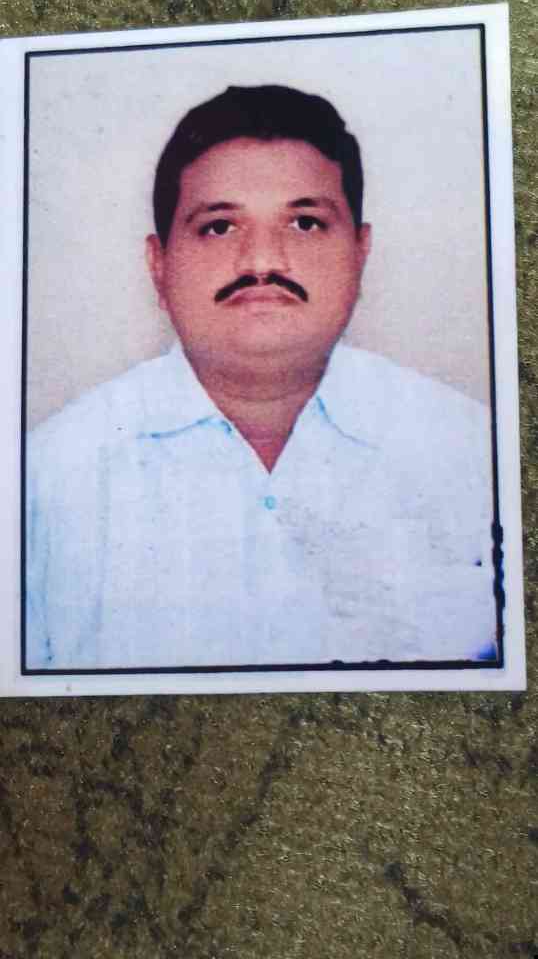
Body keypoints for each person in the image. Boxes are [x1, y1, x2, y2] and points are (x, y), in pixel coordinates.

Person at [26, 84, 498, 671]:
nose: (262, 262)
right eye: (219, 227)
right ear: (159, 263)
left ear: (361, 253)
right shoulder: (44, 482)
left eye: (305, 223)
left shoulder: (477, 456)